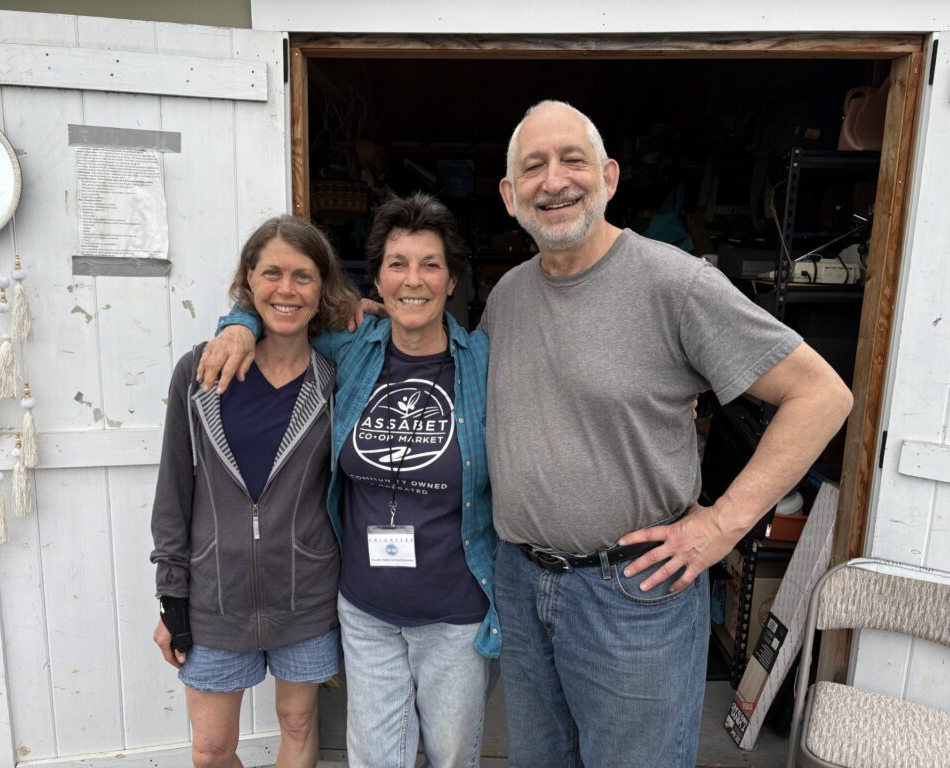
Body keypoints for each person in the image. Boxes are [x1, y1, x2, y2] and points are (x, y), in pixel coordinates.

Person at [201, 102, 853, 767]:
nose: (555, 180)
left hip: (629, 592)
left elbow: (822, 394)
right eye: (533, 167)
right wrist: (239, 321)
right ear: (511, 196)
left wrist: (722, 525)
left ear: (609, 176)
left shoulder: (674, 283)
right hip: (520, 583)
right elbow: (295, 300)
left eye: (572, 160)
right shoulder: (508, 298)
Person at [203, 193, 499, 768]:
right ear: (379, 280)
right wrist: (236, 324)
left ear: (453, 280)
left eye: (429, 264)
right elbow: (280, 314)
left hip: (456, 616)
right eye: (397, 264)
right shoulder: (348, 349)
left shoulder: (486, 361)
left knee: (452, 756)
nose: (413, 280)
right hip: (366, 611)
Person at [150, 215, 360, 768]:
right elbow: (173, 489)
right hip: (216, 597)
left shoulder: (335, 379)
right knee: (211, 750)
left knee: (297, 724)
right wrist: (172, 597)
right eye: (272, 273)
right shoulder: (201, 371)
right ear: (249, 280)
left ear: (322, 289)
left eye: (303, 276)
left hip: (307, 593)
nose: (286, 290)